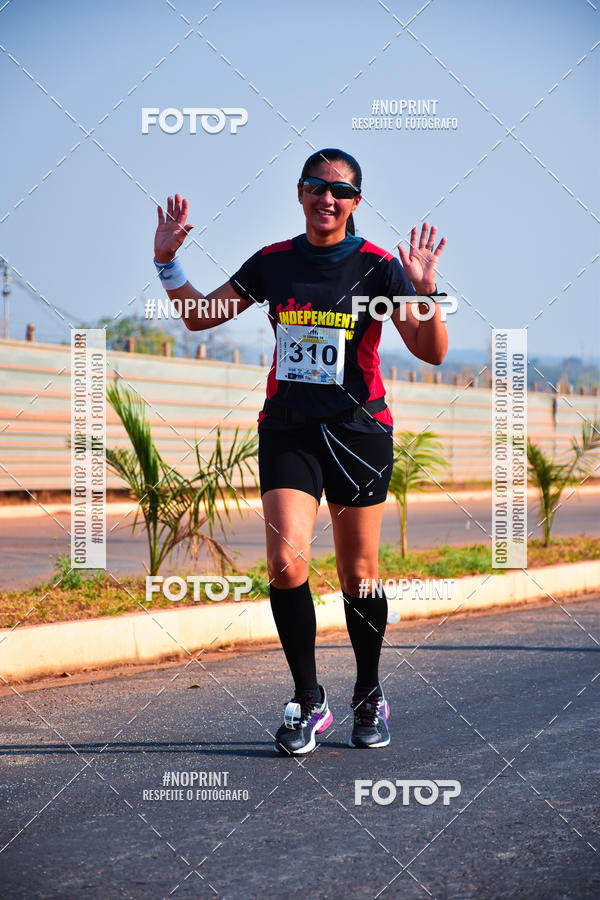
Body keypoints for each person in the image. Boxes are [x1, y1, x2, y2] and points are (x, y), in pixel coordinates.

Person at [153, 148, 448, 755]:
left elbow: (431, 351)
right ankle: (308, 700)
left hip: (357, 431)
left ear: (356, 203)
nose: (327, 198)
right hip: (288, 428)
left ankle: (369, 692)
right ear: (299, 192)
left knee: (357, 575)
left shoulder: (375, 268)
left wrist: (426, 293)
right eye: (317, 186)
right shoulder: (274, 263)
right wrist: (166, 260)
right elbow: (201, 316)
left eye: (340, 191)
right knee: (287, 563)